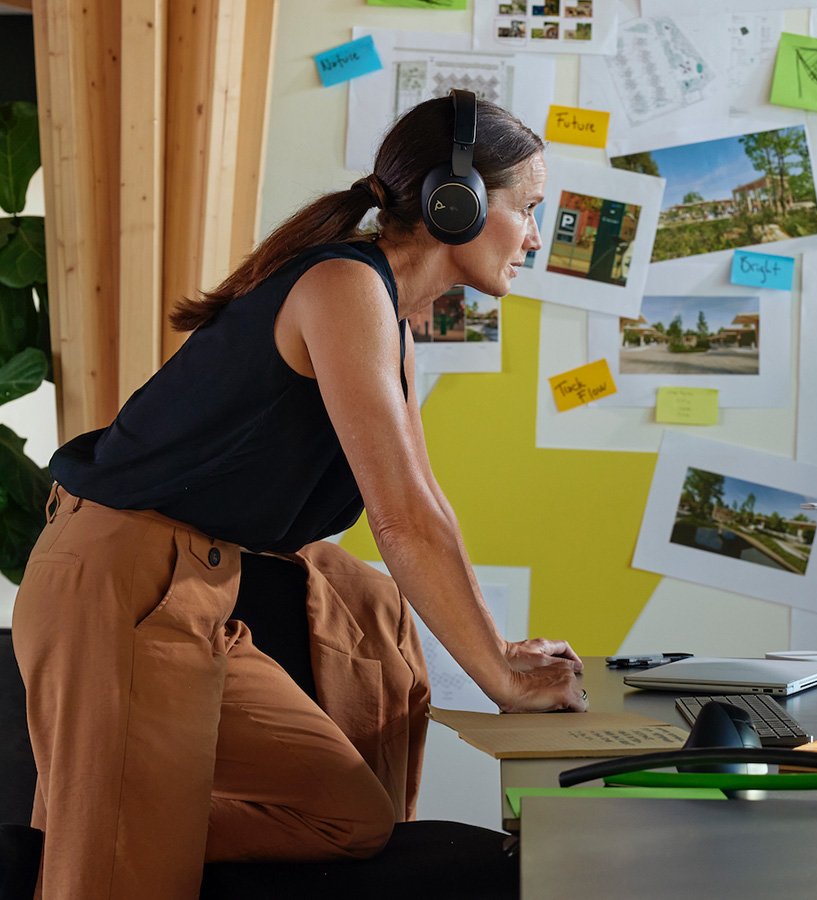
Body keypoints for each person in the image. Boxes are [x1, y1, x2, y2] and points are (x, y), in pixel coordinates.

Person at [12, 92, 585, 900]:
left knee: (349, 814)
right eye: (526, 207)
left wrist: (502, 651)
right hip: (121, 585)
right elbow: (403, 520)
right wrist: (500, 678)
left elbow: (423, 500)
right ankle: (103, 844)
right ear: (451, 202)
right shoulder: (344, 288)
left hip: (192, 592)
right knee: (119, 877)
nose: (534, 234)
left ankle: (101, 832)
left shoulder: (389, 313)